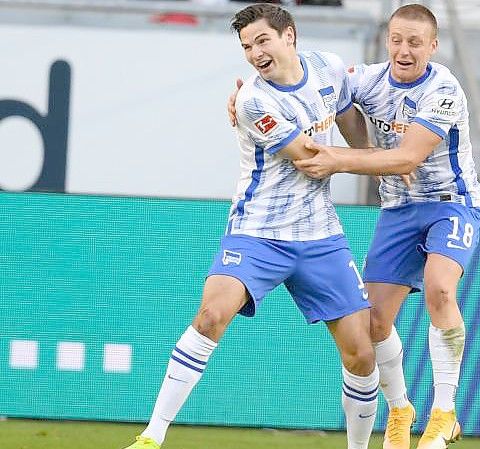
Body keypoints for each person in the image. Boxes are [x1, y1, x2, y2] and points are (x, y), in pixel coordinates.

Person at [123, 4, 378, 449]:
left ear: (289, 36)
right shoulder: (253, 100)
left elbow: (346, 111)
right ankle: (152, 436)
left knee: (361, 351)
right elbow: (310, 159)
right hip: (258, 231)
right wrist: (390, 163)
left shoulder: (329, 67)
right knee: (210, 316)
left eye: (262, 41)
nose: (255, 53)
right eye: (246, 46)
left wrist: (375, 155)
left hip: (321, 235)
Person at [293, 5, 480, 449]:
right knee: (374, 324)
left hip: (450, 204)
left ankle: (444, 412)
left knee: (440, 288)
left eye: (414, 42)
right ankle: (401, 408)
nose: (403, 49)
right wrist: (249, 97)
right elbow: (314, 83)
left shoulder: (443, 89)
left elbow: (407, 158)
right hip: (397, 210)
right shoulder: (368, 79)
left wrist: (338, 158)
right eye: (396, 39)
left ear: (432, 47)